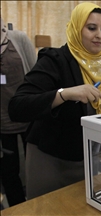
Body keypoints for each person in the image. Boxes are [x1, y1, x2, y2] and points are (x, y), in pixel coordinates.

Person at [8, 2, 101, 200]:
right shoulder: (54, 60)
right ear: (76, 28)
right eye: (91, 28)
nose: (99, 35)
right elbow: (18, 107)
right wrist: (65, 94)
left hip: (87, 156)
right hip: (51, 158)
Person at [0, 17, 36, 207]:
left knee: (34, 165)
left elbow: (34, 72)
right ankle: (16, 207)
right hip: (2, 120)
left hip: (25, 114)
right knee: (8, 169)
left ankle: (37, 202)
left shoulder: (18, 39)